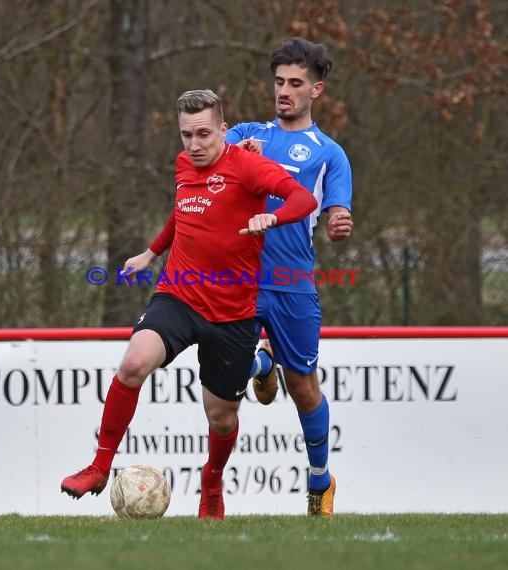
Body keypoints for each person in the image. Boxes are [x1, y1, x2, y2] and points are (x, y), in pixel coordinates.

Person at [61, 89, 317, 519]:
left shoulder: (250, 166)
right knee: (133, 363)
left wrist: (273, 216)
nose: (195, 145)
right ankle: (99, 465)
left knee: (220, 417)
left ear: (223, 129)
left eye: (203, 134)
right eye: (186, 136)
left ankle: (212, 480)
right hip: (178, 295)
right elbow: (184, 212)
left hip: (233, 313)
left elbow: (303, 200)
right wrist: (150, 253)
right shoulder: (184, 166)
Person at [126, 38, 353, 517]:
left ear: (318, 90)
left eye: (295, 83)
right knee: (225, 398)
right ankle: (252, 379)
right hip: (235, 285)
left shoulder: (330, 153)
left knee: (304, 386)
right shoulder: (247, 134)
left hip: (291, 284)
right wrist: (155, 250)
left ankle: (319, 481)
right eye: (279, 82)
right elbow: (196, 181)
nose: (284, 91)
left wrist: (338, 223)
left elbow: (334, 215)